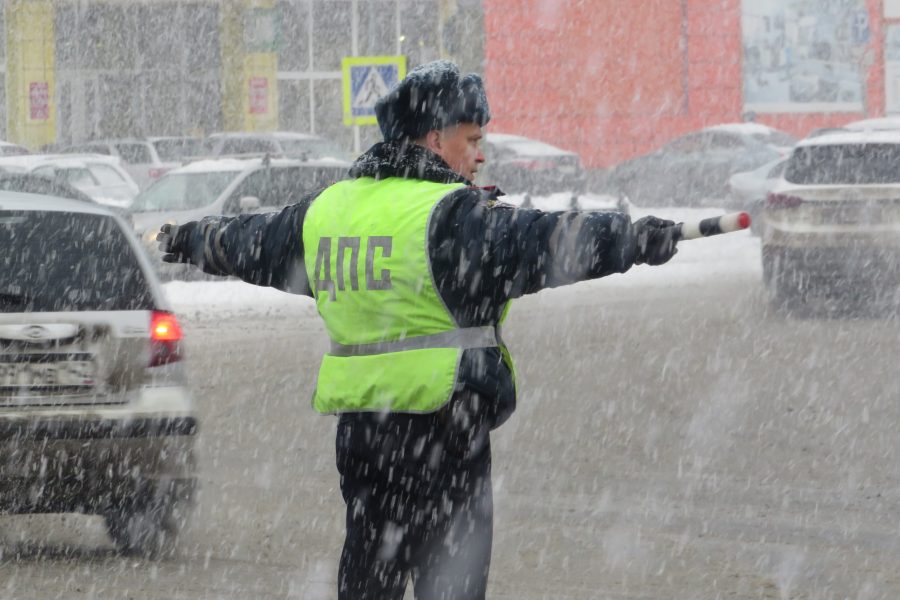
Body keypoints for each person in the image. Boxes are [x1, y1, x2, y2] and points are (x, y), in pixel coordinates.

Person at [157, 60, 678, 600]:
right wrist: (630, 240)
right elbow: (545, 239)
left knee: (367, 581)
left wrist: (189, 238)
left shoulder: (329, 212)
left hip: (364, 435)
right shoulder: (452, 217)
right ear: (435, 137)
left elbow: (250, 241)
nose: (481, 154)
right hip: (445, 430)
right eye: (473, 139)